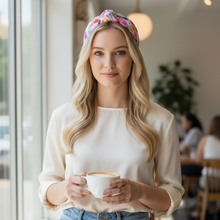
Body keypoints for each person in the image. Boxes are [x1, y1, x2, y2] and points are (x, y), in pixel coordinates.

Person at [38, 9, 184, 220]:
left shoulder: (161, 120)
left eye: (120, 52)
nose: (109, 64)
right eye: (99, 53)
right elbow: (47, 188)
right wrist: (64, 189)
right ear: (88, 58)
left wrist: (140, 191)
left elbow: (172, 195)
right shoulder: (63, 117)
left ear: (133, 58)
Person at [189, 115, 220, 219]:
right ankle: (214, 211)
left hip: (208, 181)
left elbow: (198, 160)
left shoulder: (206, 139)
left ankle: (200, 211)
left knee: (202, 179)